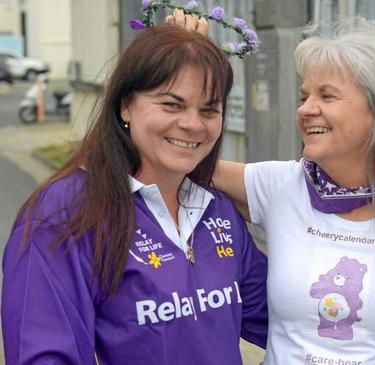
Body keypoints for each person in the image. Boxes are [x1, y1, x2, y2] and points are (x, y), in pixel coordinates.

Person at [2, 24, 267, 365]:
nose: (193, 124)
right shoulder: (64, 211)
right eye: (172, 104)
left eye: (208, 109)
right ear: (126, 106)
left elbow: (295, 320)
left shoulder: (217, 210)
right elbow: (43, 354)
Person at [207, 29, 375, 364]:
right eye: (304, 97)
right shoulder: (281, 185)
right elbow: (183, 161)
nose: (306, 110)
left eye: (326, 97)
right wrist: (186, 58)